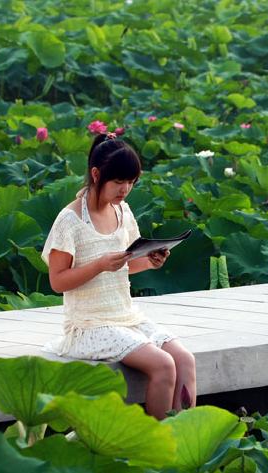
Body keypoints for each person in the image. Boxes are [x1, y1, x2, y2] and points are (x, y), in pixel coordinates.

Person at [41, 133, 196, 420]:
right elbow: (57, 281)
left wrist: (149, 262)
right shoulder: (69, 220)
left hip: (126, 317)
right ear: (96, 174)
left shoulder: (123, 211)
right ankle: (156, 447)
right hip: (87, 325)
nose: (125, 189)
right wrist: (99, 264)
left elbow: (125, 265)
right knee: (163, 365)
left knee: (184, 359)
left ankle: (184, 440)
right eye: (118, 182)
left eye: (131, 182)